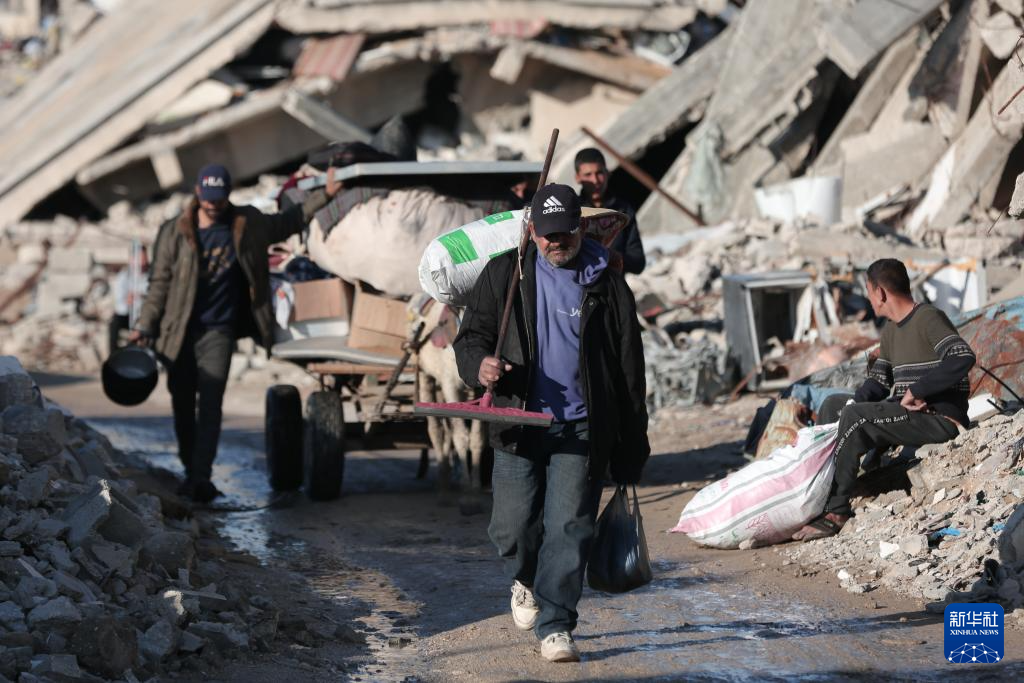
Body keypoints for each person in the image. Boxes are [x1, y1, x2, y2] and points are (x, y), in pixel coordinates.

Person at [453, 184, 650, 663]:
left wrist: (632, 442)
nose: (555, 242)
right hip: (518, 421)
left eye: (564, 233)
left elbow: (629, 368)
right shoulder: (506, 274)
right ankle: (526, 580)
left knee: (570, 526)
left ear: (580, 228)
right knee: (512, 529)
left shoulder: (606, 284)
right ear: (532, 232)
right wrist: (480, 365)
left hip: (581, 427)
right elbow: (471, 337)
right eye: (547, 234)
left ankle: (557, 623)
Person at [132, 163, 341, 502]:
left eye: (219, 199)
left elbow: (288, 221)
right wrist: (144, 326)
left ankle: (201, 477)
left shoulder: (248, 223)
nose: (213, 205)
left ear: (227, 195)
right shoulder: (174, 231)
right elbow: (159, 283)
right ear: (198, 193)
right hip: (177, 332)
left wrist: (325, 195)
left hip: (220, 330)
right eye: (208, 199)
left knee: (211, 404)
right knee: (182, 405)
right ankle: (189, 466)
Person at [793, 259, 976, 541]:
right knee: (834, 405)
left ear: (879, 293)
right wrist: (853, 404)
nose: (869, 300)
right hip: (905, 413)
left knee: (856, 418)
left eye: (868, 292)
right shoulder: (891, 330)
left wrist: (917, 390)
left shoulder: (929, 318)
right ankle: (821, 492)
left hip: (938, 418)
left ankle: (837, 511)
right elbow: (879, 383)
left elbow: (962, 356)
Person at [574, 147, 646, 275]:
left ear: (607, 173)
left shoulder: (623, 211)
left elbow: (638, 262)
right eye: (588, 175)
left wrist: (609, 257)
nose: (595, 181)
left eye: (599, 173)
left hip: (613, 284)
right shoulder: (573, 211)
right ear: (578, 178)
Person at [108, 246, 149, 353]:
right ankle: (114, 356)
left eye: (144, 259)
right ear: (132, 260)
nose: (143, 263)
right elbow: (120, 307)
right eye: (140, 260)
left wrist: (142, 298)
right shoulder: (123, 277)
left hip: (146, 316)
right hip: (128, 316)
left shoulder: (151, 276)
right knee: (114, 323)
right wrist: (129, 301)